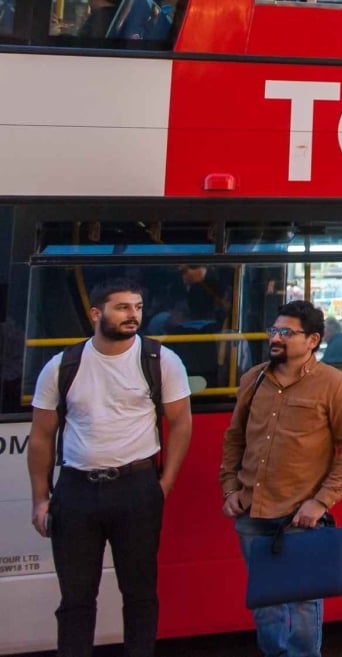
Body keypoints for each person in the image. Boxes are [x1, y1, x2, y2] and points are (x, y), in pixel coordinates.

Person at [28, 278, 193, 657]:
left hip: (137, 488)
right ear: (96, 313)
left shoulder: (161, 361)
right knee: (75, 597)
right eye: (122, 307)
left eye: (137, 307)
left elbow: (181, 422)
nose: (132, 315)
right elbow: (41, 437)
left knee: (139, 593)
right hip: (75, 491)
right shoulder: (62, 365)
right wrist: (41, 498)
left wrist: (164, 483)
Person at [220, 301, 342, 657]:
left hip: (301, 515)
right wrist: (230, 488)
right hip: (252, 513)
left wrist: (321, 501)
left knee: (302, 607)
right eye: (274, 330)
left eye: (287, 332)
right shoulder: (252, 379)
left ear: (312, 340)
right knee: (266, 606)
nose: (277, 338)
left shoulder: (334, 384)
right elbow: (234, 438)